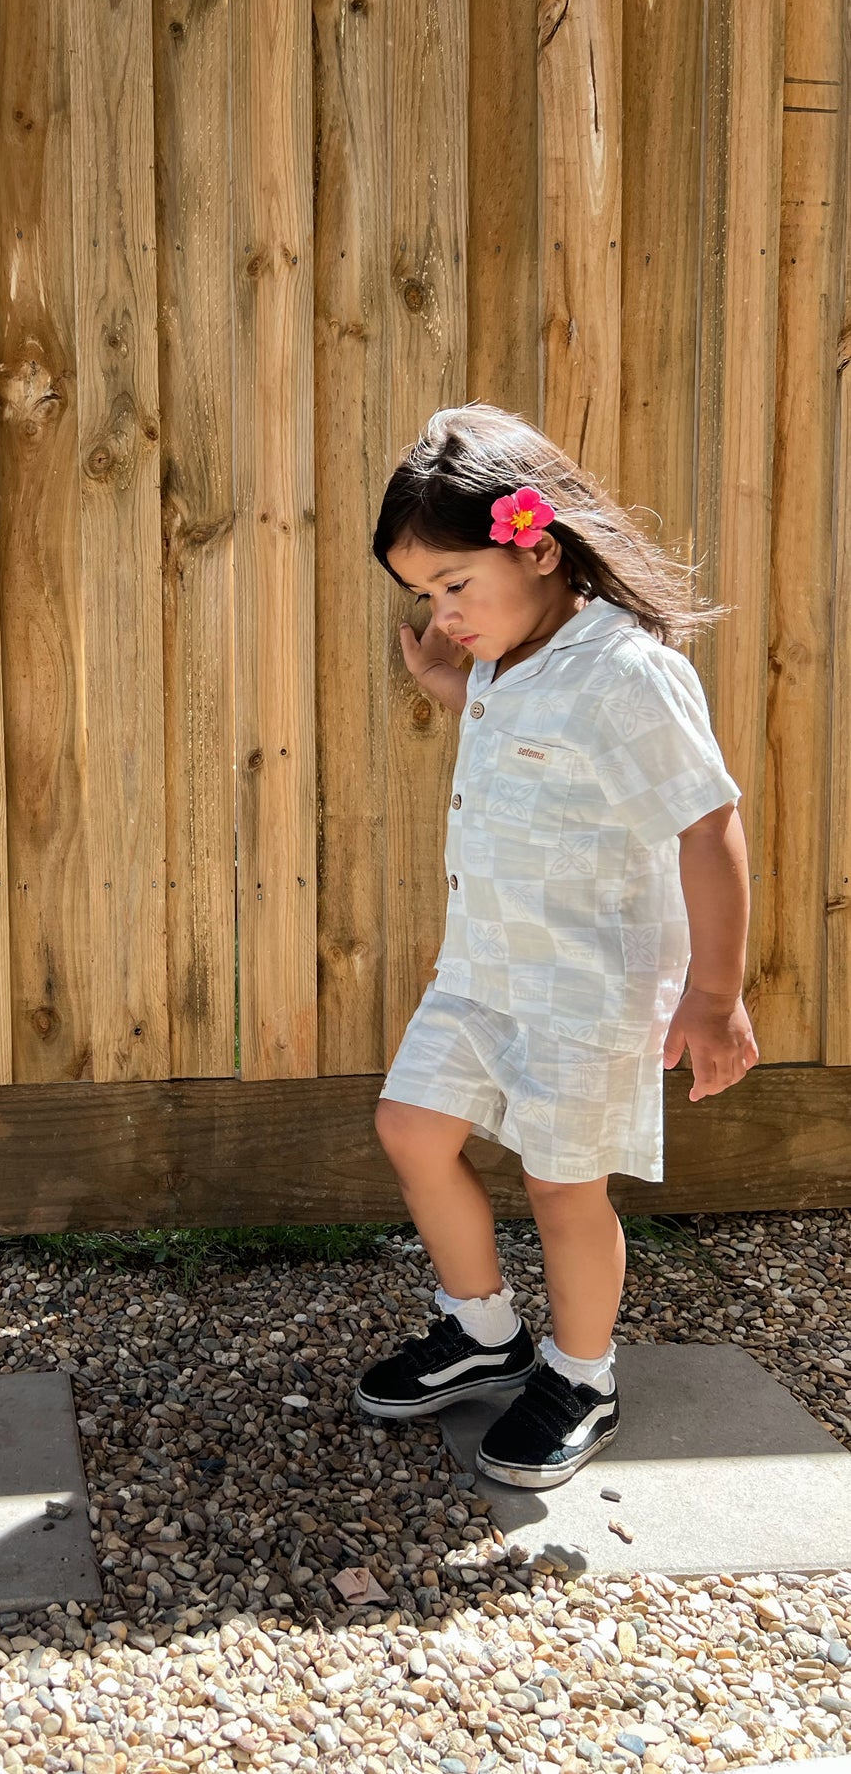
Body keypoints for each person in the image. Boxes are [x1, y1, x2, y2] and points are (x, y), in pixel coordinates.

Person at [353, 402, 759, 1490]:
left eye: (453, 586)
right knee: (409, 1127)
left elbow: (705, 823)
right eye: (424, 597)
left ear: (533, 544)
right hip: (481, 972)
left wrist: (712, 995)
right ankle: (482, 1328)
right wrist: (450, 683)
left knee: (560, 1184)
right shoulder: (505, 655)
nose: (443, 614)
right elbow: (516, 723)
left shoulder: (625, 671)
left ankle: (581, 1373)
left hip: (583, 990)